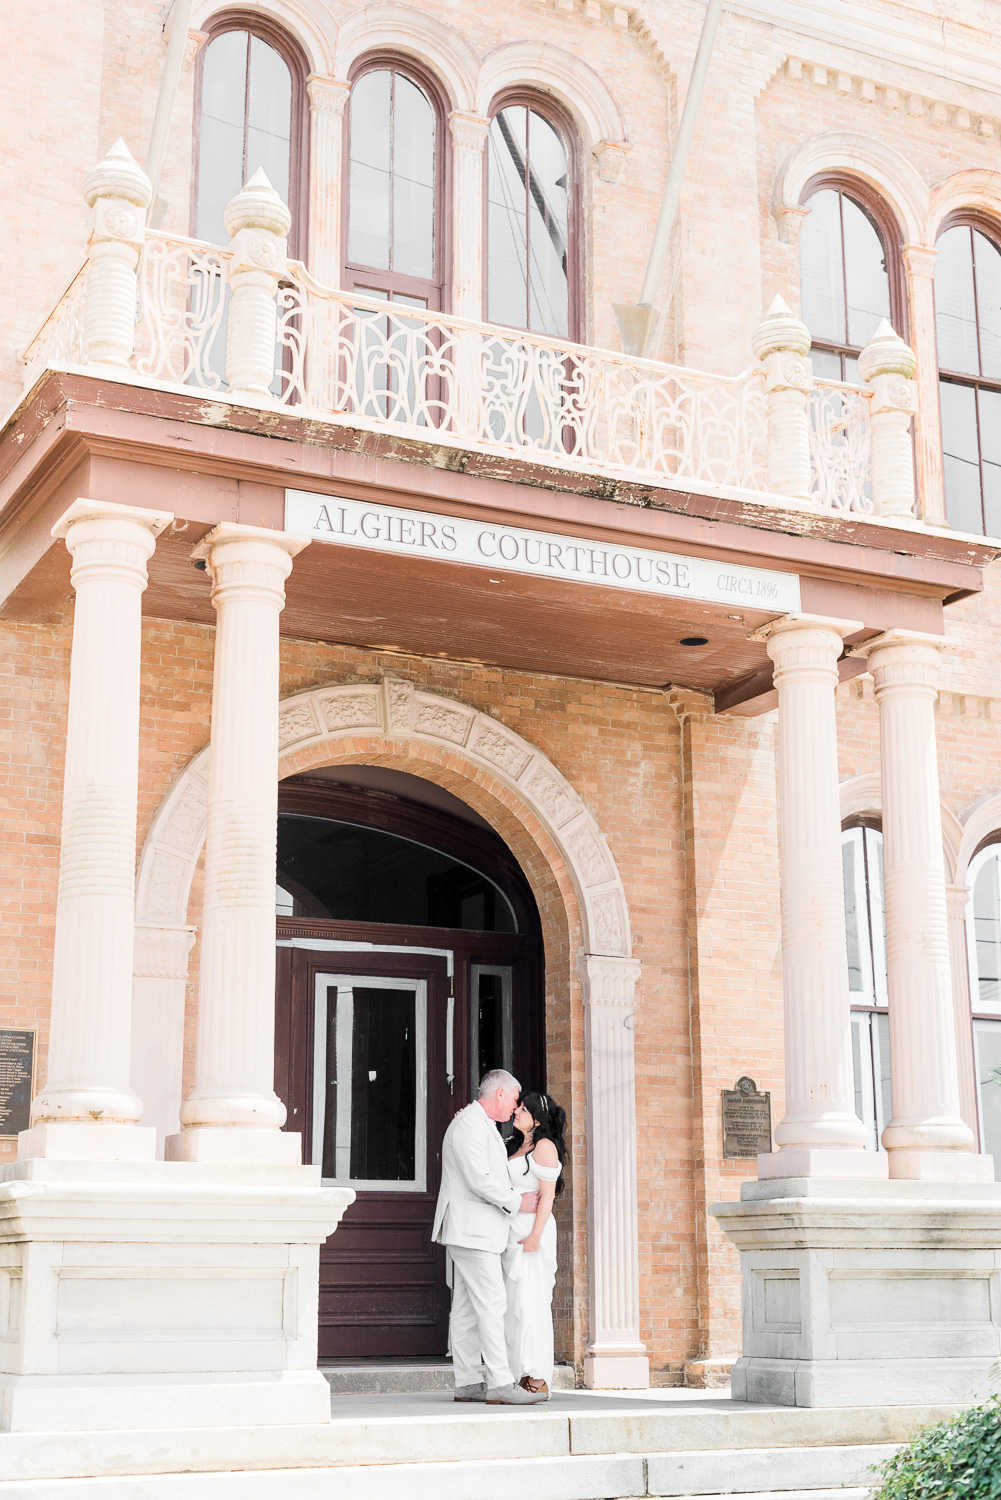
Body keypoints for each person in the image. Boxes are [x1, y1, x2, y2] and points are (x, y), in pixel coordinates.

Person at [431, 1068, 547, 1405]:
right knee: (493, 1302)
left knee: (467, 1309)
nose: (515, 1106)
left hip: (476, 1231)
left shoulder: (480, 1125)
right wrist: (516, 1200)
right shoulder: (469, 1124)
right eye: (514, 1098)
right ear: (499, 1094)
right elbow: (479, 1177)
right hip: (472, 1231)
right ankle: (499, 1382)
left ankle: (468, 1382)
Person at [502, 1090, 567, 1400]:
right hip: (510, 1232)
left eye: (523, 1109)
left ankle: (535, 1375)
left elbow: (548, 1197)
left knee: (530, 1303)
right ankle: (515, 1373)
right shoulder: (515, 1145)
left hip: (532, 1233)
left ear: (537, 1119)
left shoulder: (544, 1147)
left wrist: (535, 1237)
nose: (516, 1112)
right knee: (512, 1305)